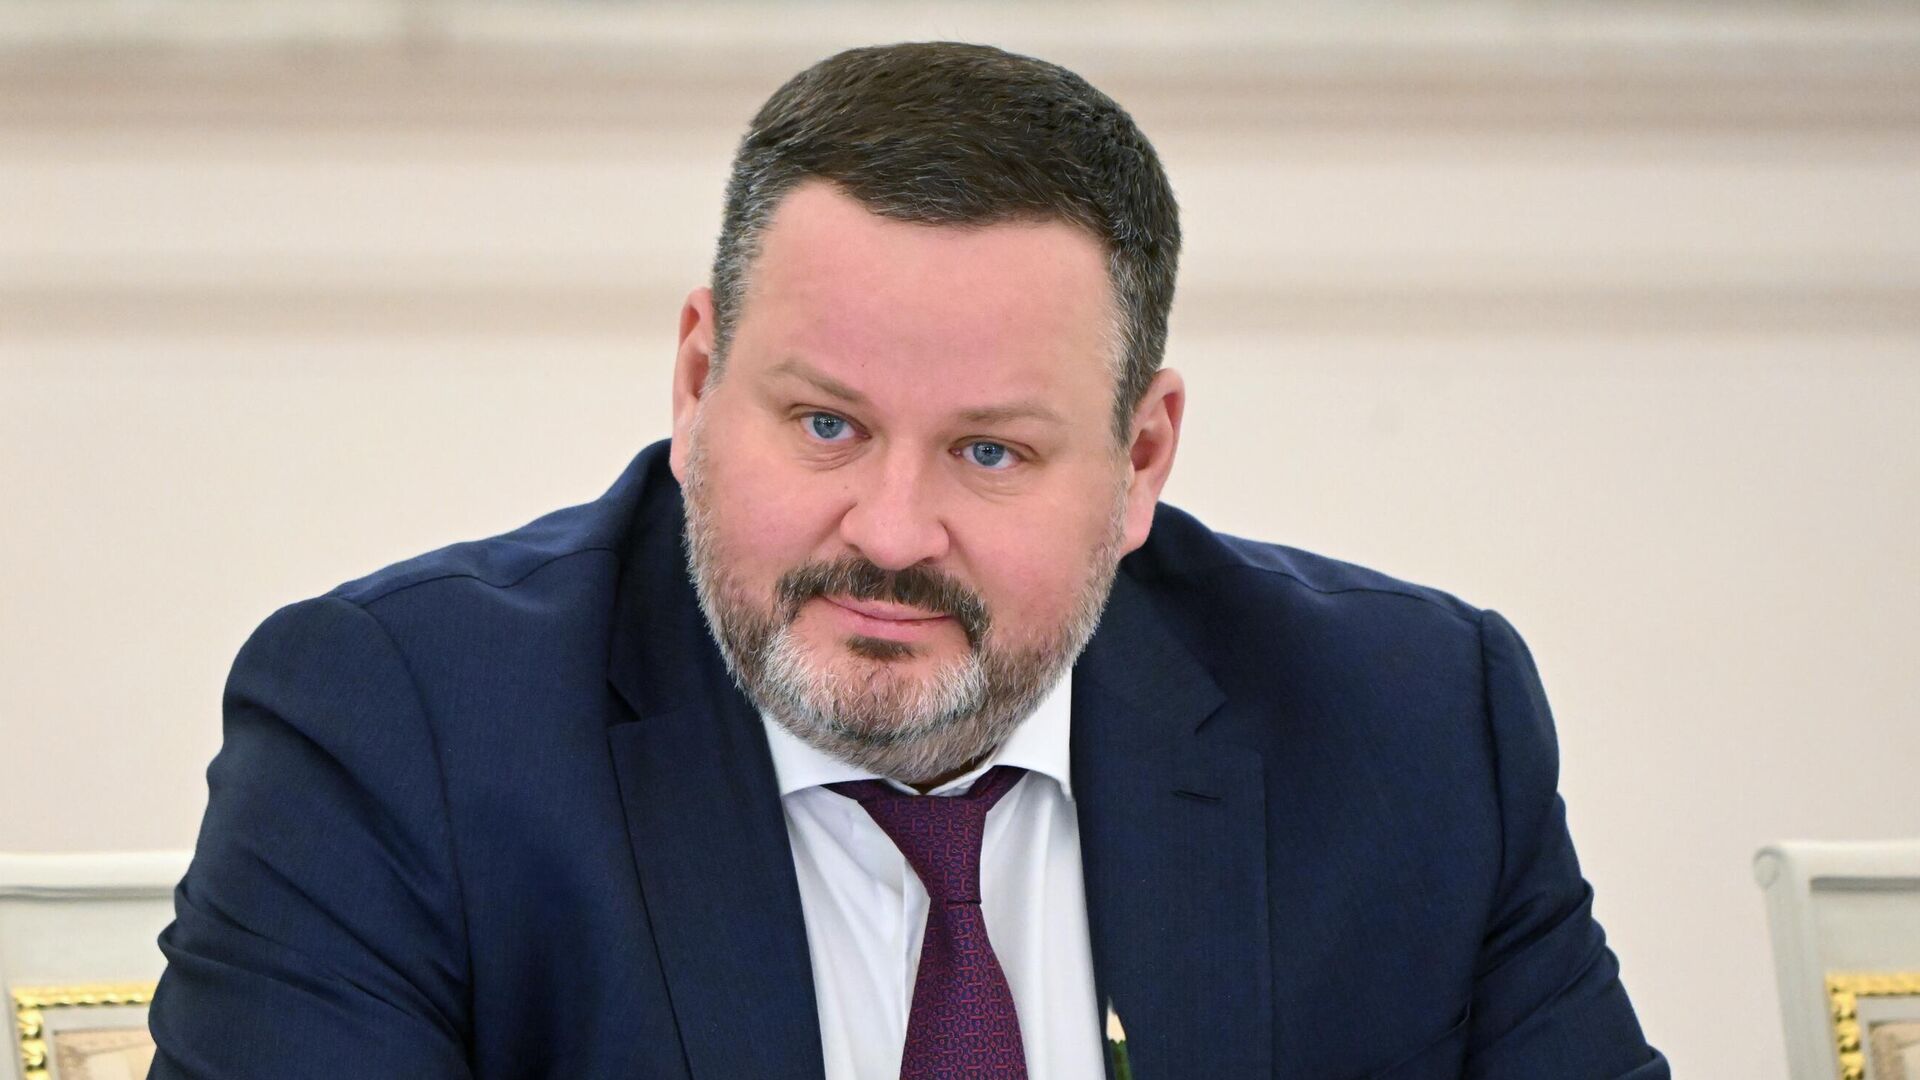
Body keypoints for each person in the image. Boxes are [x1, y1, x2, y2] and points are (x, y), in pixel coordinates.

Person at [146, 42, 1669, 1080]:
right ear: (697, 382)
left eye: (988, 452)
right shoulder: (399, 730)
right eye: (826, 426)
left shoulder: (1411, 727)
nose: (888, 531)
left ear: (1142, 458)